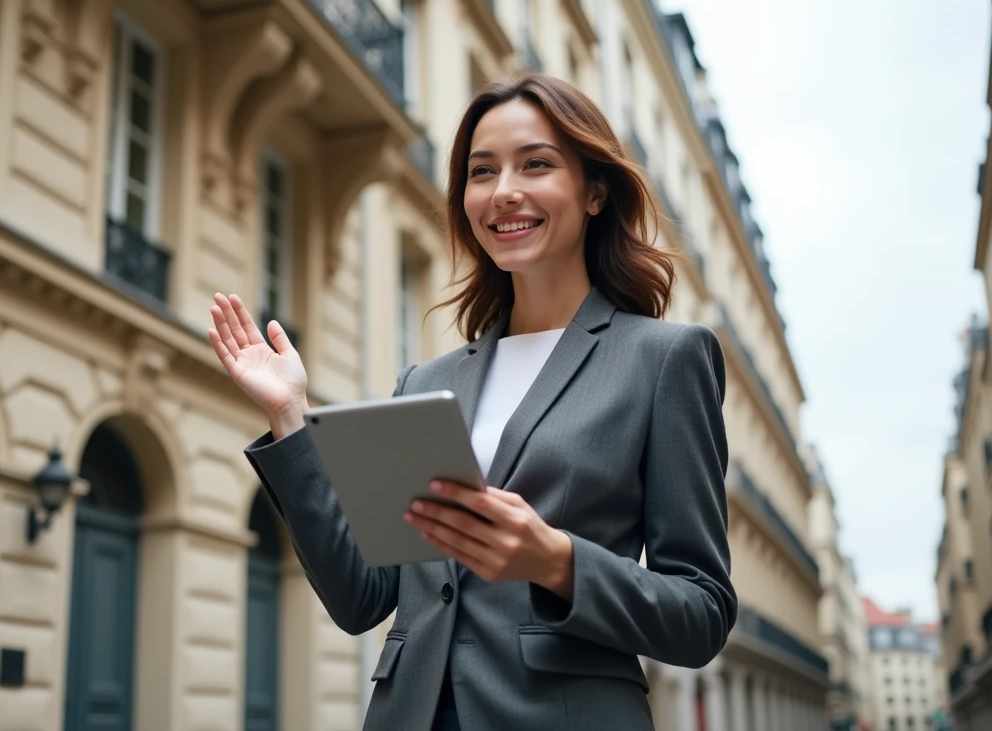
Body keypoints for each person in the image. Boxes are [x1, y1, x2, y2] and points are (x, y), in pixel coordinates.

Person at [208, 73, 736, 731]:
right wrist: (289, 417)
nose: (503, 191)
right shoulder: (425, 383)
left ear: (595, 191)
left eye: (536, 164)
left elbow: (703, 612)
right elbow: (362, 598)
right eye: (481, 172)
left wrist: (558, 562)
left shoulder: (664, 359)